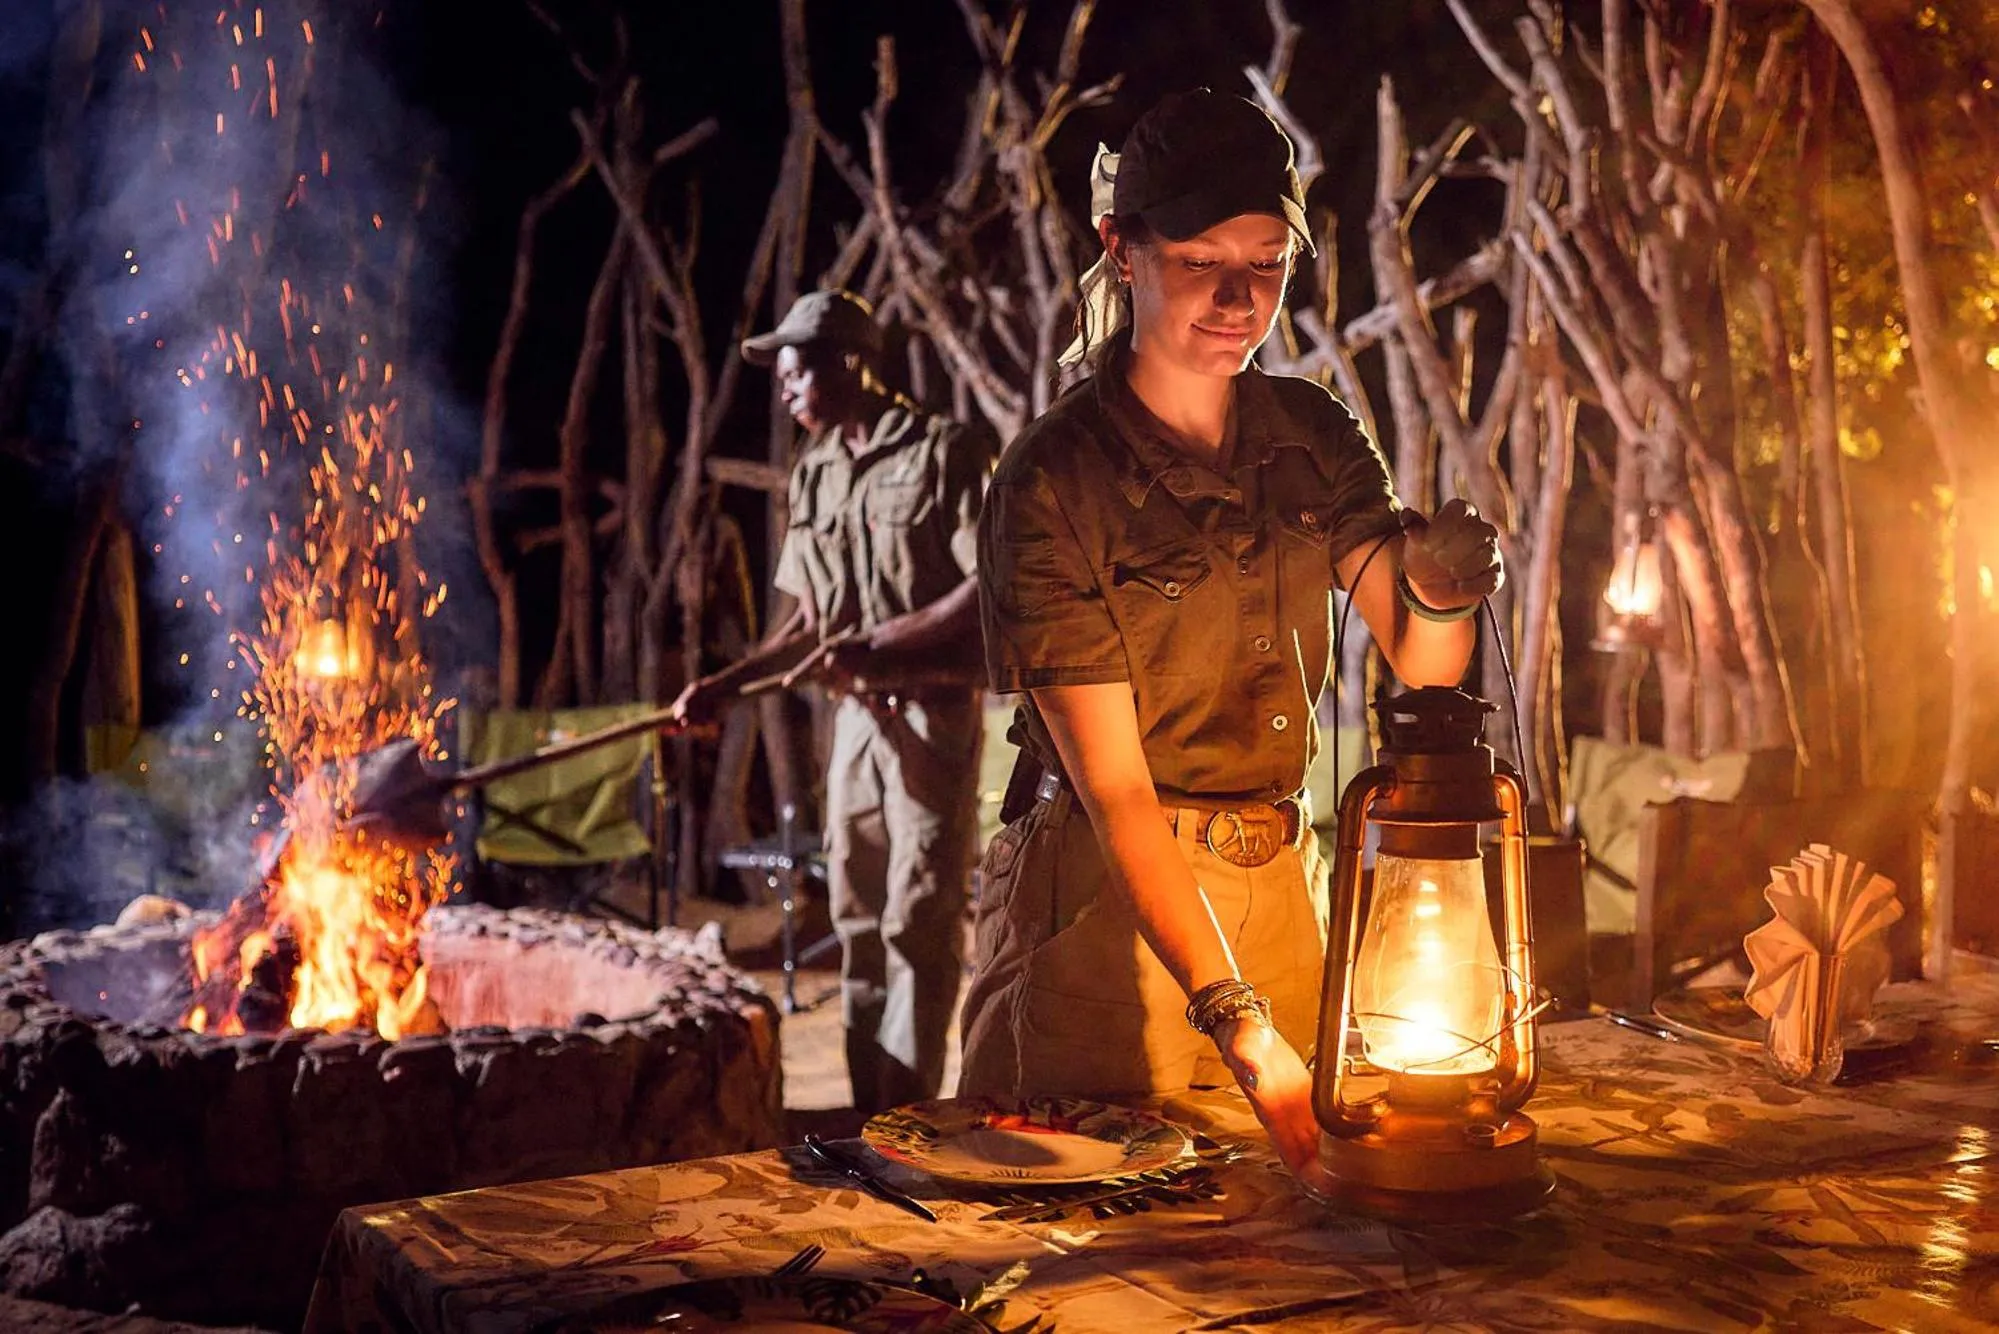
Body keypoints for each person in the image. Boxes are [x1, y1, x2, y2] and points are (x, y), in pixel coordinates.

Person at [957, 90, 1503, 1186]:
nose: (1238, 296)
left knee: (1291, 1229)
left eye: (1266, 260)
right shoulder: (1054, 482)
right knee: (1084, 1218)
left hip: (1281, 885)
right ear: (1122, 249)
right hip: (1105, 904)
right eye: (1202, 258)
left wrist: (1438, 591)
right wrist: (1230, 1011)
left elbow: (1424, 661)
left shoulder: (1311, 436)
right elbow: (1115, 795)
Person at [672, 289, 996, 1116]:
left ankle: (909, 1117)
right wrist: (725, 686)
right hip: (856, 725)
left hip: (931, 717)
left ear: (849, 362)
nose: (781, 391)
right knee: (855, 918)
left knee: (917, 923)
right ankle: (865, 1116)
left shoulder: (942, 452)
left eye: (793, 373)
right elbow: (809, 627)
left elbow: (985, 584)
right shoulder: (813, 473)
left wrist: (883, 645)